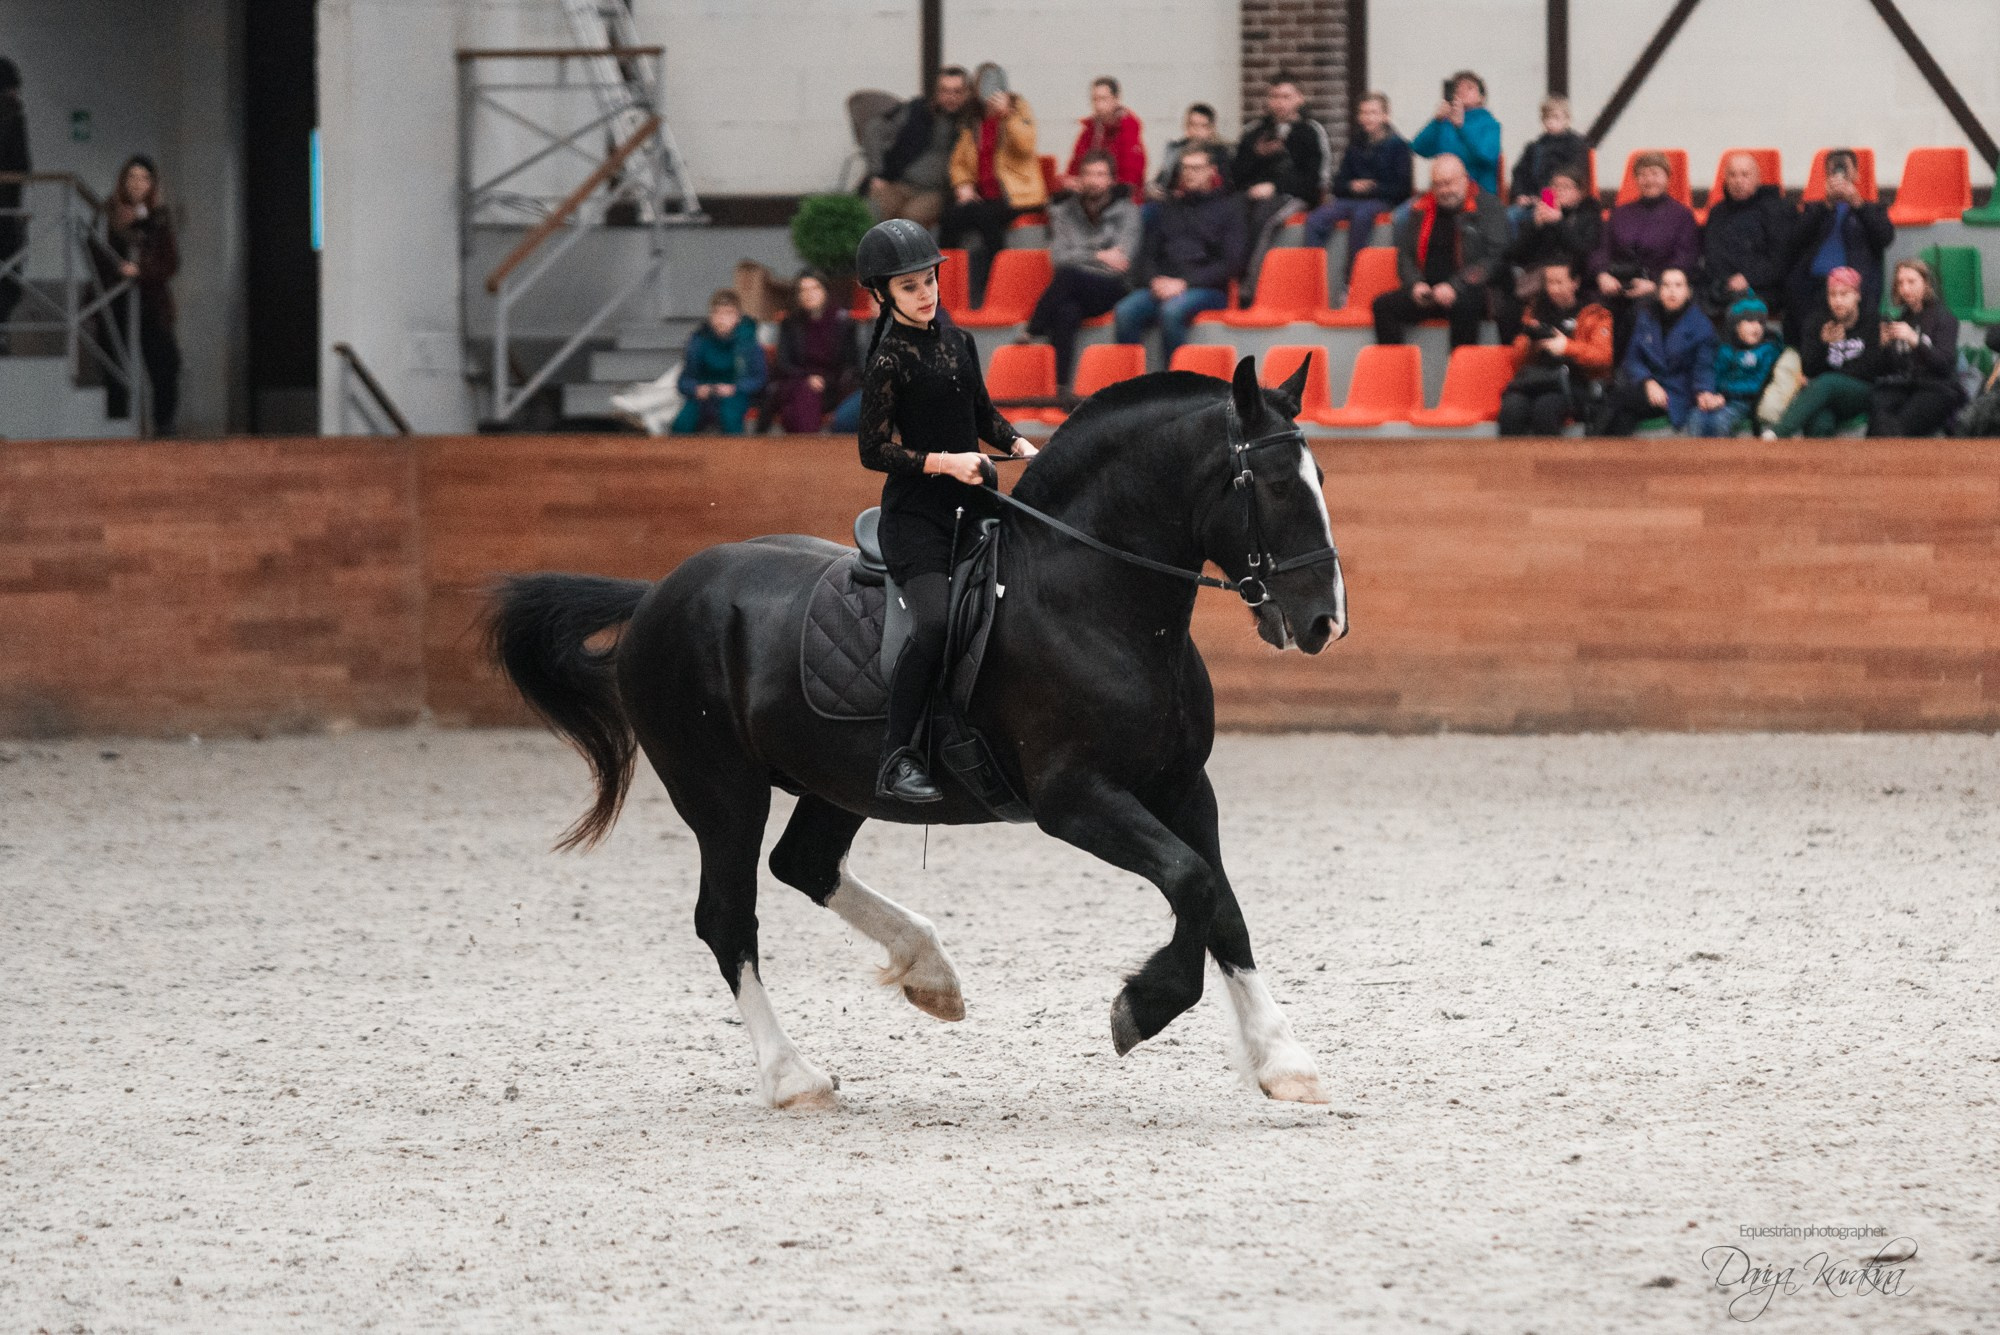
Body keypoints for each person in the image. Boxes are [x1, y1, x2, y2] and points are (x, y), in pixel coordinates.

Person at [852, 219, 1037, 803]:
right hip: (917, 520)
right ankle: (897, 756)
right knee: (933, 626)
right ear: (882, 294)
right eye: (909, 286)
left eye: (928, 280)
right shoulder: (888, 359)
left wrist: (1018, 445)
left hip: (976, 506)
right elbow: (872, 450)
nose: (925, 292)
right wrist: (945, 463)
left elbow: (982, 414)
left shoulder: (959, 341)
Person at [1114, 146, 1245, 363]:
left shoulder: (1230, 208)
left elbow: (1232, 263)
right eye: (1185, 168)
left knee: (1171, 312)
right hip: (1162, 285)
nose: (1190, 173)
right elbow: (1147, 254)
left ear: (1212, 171)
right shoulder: (1167, 207)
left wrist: (1184, 283)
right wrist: (1154, 281)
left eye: (1197, 168)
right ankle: (1129, 387)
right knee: (1124, 311)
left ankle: (1175, 388)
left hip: (1207, 288)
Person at [1026, 151, 1139, 386]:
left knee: (1069, 276)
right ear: (1079, 179)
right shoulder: (1063, 211)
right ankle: (1060, 388)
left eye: (1100, 174)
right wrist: (1099, 254)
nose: (1094, 180)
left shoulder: (1128, 211)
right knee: (1065, 312)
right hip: (1075, 288)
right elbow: (1059, 258)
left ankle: (1034, 328)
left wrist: (1079, 254)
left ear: (1111, 180)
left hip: (1112, 287)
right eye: (1088, 174)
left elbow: (1122, 262)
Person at [1372, 153, 1506, 349]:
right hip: (1428, 292)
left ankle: (1459, 375)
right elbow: (1406, 256)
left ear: (1464, 179)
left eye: (1449, 183)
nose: (1444, 190)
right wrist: (1415, 284)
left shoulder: (1488, 207)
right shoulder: (1420, 208)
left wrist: (1456, 286)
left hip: (1470, 290)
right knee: (1383, 306)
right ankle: (1397, 370)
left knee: (1465, 306)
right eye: (1438, 184)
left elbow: (1496, 257)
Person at [940, 67, 1045, 301]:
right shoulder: (973, 121)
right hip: (982, 197)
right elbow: (959, 162)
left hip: (1017, 196)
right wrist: (963, 185)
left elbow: (1026, 144)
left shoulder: (1018, 108)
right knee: (949, 217)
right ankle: (945, 286)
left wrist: (1007, 115)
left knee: (984, 217)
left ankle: (993, 287)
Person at [99, 155, 182, 435]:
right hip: (116, 301)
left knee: (166, 364)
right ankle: (118, 428)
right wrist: (119, 268)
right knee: (116, 365)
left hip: (151, 302)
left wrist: (142, 269)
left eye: (144, 178)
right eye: (131, 177)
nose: (137, 184)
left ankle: (164, 425)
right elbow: (97, 253)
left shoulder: (160, 217)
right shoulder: (107, 213)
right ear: (123, 181)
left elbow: (170, 262)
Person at [1590, 151, 1699, 360]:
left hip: (1658, 286)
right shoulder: (1620, 213)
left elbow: (1686, 258)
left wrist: (1656, 284)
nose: (1649, 179)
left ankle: (1628, 372)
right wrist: (1602, 274)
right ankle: (1596, 370)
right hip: (1618, 285)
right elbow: (1601, 249)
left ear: (1667, 178)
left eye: (1655, 173)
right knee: (1594, 309)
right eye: (1643, 174)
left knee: (1639, 312)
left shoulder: (1682, 216)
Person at [1782, 148, 1893, 349]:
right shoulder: (1814, 209)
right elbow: (1795, 241)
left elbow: (1884, 238)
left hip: (1851, 288)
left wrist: (1857, 203)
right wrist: (1826, 205)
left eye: (1845, 169)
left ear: (1857, 175)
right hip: (1812, 286)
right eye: (1834, 170)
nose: (1839, 175)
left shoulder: (1872, 209)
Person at [1592, 268, 1715, 435]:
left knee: (1618, 397)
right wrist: (1647, 381)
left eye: (1678, 285)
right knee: (1623, 417)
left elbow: (1704, 366)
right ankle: (1614, 459)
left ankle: (1589, 447)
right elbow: (1633, 358)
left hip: (1676, 392)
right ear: (1658, 291)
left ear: (1688, 292)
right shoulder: (1647, 317)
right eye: (1666, 285)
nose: (1672, 291)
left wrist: (1703, 391)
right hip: (1647, 387)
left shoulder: (1701, 326)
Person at [1497, 258, 1612, 435]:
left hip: (1571, 382)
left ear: (1575, 282)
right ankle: (1512, 462)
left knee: (1544, 409)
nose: (1553, 288)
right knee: (1511, 409)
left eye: (1559, 282)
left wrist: (1566, 347)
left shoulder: (1594, 313)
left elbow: (1603, 357)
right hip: (1534, 380)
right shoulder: (1536, 311)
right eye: (1549, 282)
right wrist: (1530, 342)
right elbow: (1516, 361)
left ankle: (1548, 462)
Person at [1302, 91, 1412, 276]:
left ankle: (1353, 276)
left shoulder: (1399, 146)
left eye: (1373, 112)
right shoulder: (1355, 145)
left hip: (1383, 200)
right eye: (1363, 113)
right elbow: (1338, 185)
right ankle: (1310, 273)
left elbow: (1403, 189)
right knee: (1316, 218)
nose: (1367, 117)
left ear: (1385, 115)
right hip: (1352, 198)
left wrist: (1373, 188)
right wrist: (1352, 186)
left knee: (1362, 215)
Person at [1232, 74, 1331, 275]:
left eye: (1286, 97)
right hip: (1252, 193)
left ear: (1299, 99)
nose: (1279, 103)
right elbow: (1236, 174)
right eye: (1275, 97)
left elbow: (1315, 179)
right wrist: (1256, 155)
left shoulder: (1310, 131)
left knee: (1263, 219)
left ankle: (1251, 283)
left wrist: (1276, 187)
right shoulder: (1254, 131)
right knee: (1229, 213)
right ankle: (1228, 278)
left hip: (1294, 195)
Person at [1772, 267, 1877, 438]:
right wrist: (1823, 345)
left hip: (1861, 393)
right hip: (1824, 394)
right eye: (1832, 295)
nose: (1837, 301)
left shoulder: (1872, 322)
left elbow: (1870, 369)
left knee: (1827, 382)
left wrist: (1825, 379)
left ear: (1857, 295)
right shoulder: (1818, 323)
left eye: (1844, 294)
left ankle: (1777, 433)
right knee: (1819, 422)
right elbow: (1808, 368)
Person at [1498, 163, 1601, 334]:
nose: (1559, 191)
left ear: (1579, 192)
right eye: (1554, 186)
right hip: (1539, 274)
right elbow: (1514, 255)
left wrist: (1559, 223)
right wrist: (1535, 226)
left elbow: (1584, 250)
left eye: (1566, 187)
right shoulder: (1539, 215)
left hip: (1574, 275)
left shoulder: (1589, 214)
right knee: (1508, 308)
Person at [1867, 258, 1963, 437]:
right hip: (1906, 385)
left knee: (1897, 427)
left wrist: (1915, 341)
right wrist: (1882, 346)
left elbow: (1944, 364)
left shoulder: (1944, 318)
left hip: (1937, 389)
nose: (1905, 289)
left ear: (1926, 284)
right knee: (1878, 413)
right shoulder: (1903, 318)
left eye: (1911, 282)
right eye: (1900, 283)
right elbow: (1886, 368)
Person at [868, 66, 972, 230]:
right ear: (936, 92)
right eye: (945, 91)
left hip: (934, 192)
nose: (950, 97)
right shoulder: (916, 110)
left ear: (967, 93)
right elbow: (874, 129)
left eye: (957, 91)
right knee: (873, 214)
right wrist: (878, 172)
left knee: (908, 224)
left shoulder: (971, 121)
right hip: (897, 182)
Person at [1699, 152, 1794, 317]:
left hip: (1762, 287)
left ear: (1758, 179)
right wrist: (1725, 281)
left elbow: (1781, 259)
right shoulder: (1717, 212)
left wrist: (1748, 278)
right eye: (1732, 175)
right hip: (1721, 285)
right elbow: (1711, 255)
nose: (1738, 181)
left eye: (1745, 175)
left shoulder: (1777, 210)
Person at [766, 270, 861, 433]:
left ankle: (803, 448)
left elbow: (850, 364)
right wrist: (807, 378)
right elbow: (783, 362)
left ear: (825, 291)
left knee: (797, 404)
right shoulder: (790, 324)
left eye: (815, 288)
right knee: (803, 393)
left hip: (832, 386)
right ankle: (808, 447)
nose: (809, 294)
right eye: (803, 290)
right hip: (796, 381)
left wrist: (826, 381)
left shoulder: (843, 323)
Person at [672, 290, 767, 434]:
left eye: (728, 313)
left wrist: (735, 388)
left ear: (737, 317)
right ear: (711, 316)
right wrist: (695, 389)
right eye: (717, 313)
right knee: (682, 423)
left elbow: (759, 378)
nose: (722, 319)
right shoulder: (698, 341)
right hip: (703, 396)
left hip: (735, 394)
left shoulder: (749, 343)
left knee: (730, 418)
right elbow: (684, 380)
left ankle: (735, 455)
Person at [1686, 296, 1780, 437]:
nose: (1756, 327)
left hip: (1747, 401)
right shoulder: (1725, 349)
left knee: (1719, 421)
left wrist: (1725, 395)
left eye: (1760, 322)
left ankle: (1722, 458)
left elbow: (1759, 383)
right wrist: (1709, 396)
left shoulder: (1768, 349)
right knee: (1696, 417)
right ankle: (1697, 458)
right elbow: (1715, 374)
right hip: (1721, 398)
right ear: (1735, 325)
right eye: (1749, 321)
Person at [1410, 70, 1501, 196]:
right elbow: (1419, 148)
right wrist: (1436, 121)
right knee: (1403, 214)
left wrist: (1462, 127)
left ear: (1481, 97)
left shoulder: (1489, 124)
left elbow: (1488, 156)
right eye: (1458, 88)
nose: (1462, 91)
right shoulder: (1445, 123)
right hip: (1441, 192)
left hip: (1477, 193)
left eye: (1469, 88)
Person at [1058, 77, 1145, 194]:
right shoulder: (1089, 130)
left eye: (1103, 99)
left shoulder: (1128, 130)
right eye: (1095, 100)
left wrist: (1095, 184)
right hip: (1088, 195)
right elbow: (1074, 166)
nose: (1098, 105)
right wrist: (1070, 181)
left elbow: (1131, 179)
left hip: (1120, 197)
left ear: (1116, 99)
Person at [1510, 95, 1589, 221]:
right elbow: (1520, 172)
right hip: (1533, 198)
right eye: (1547, 118)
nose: (1551, 122)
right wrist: (1521, 194)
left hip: (1559, 201)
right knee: (1510, 216)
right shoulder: (1535, 146)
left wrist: (1547, 197)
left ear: (1567, 119)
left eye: (1556, 117)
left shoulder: (1575, 145)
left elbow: (1572, 176)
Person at [0, 57, 29, 350]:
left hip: (8, 211)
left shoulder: (13, 117)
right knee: (10, 276)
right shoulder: (13, 117)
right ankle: (2, 331)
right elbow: (22, 165)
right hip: (7, 212)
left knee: (10, 275)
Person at [1148, 103, 1230, 202]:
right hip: (1173, 201)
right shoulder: (1175, 149)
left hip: (1210, 203)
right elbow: (1162, 180)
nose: (1197, 131)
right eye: (1192, 125)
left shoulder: (1220, 153)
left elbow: (1225, 188)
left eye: (1203, 126)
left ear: (1211, 129)